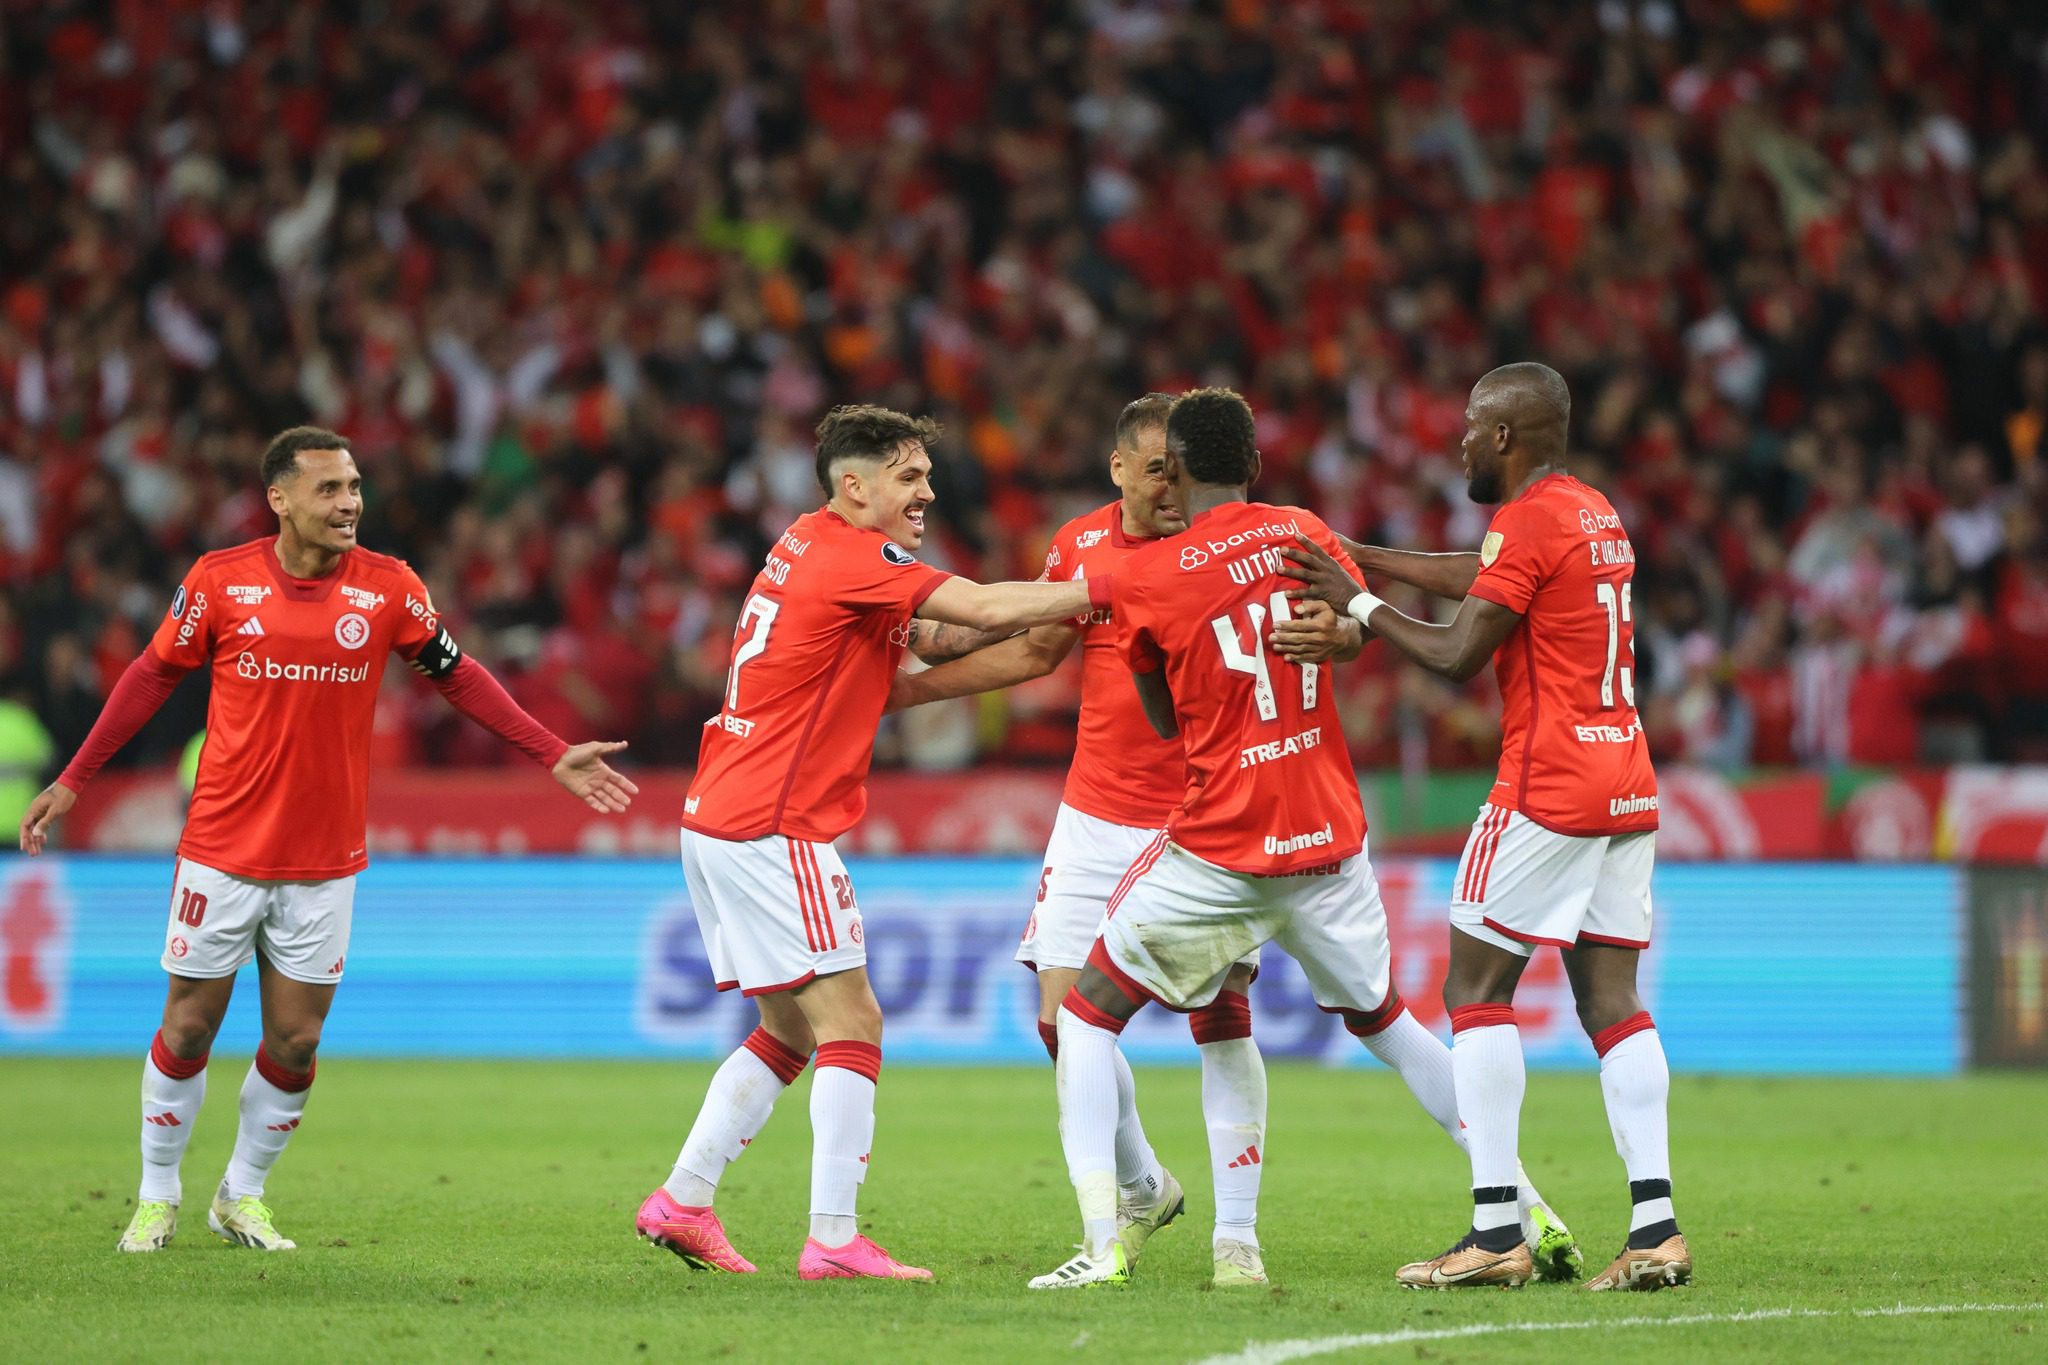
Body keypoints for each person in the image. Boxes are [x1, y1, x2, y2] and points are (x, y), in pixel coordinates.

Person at [17, 426, 638, 1255]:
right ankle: (157, 1193)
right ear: (279, 498)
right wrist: (74, 777)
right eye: (329, 489)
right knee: (190, 1025)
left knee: (298, 1039)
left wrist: (550, 751)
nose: (349, 503)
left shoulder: (388, 587)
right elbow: (150, 674)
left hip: (325, 857)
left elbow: (457, 673)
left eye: (353, 487)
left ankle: (241, 1194)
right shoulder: (219, 581)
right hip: (223, 849)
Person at [1030, 388, 1575, 1290]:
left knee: (1085, 1018)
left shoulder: (1154, 576)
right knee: (1391, 1024)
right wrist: (1338, 639)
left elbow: (1163, 717)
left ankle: (1107, 1242)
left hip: (1222, 850)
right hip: (1330, 844)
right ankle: (1523, 1206)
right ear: (1252, 464)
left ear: (1181, 470)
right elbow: (1353, 625)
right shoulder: (1303, 533)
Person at [636, 404, 1114, 1283]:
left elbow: (942, 637)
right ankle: (832, 1237)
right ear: (853, 486)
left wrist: (1041, 631)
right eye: (909, 476)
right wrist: (1113, 585)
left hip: (720, 813)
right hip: (772, 821)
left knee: (787, 1029)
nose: (927, 491)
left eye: (927, 474)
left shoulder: (810, 545)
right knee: (853, 1022)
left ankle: (683, 1199)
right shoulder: (855, 556)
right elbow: (979, 604)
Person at [891, 393, 1341, 1285]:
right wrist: (906, 690)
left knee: (1221, 1013)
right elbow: (1032, 653)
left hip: (1204, 815)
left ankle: (1238, 1235)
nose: (1173, 488)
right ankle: (1142, 1188)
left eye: (1182, 470)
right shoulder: (1079, 544)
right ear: (1120, 470)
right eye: (1157, 471)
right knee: (1061, 1021)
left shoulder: (1222, 548)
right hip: (1096, 813)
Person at [1281, 361, 1686, 1292]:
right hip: (1626, 777)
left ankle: (1497, 1227)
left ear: (1504, 435)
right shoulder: (1591, 510)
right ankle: (1657, 1229)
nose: (1460, 440)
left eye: (1470, 425)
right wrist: (1371, 557)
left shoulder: (1530, 518)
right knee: (1612, 1003)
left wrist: (1358, 602)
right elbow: (1493, 576)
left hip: (1548, 784)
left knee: (1474, 987)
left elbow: (1460, 650)